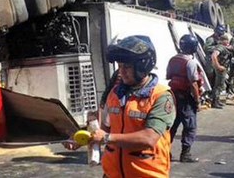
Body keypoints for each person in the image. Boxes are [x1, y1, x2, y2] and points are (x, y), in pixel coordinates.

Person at [67, 35, 175, 177]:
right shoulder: (115, 93)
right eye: (119, 66)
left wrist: (106, 138)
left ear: (143, 66)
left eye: (127, 67)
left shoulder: (161, 96)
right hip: (113, 173)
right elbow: (103, 128)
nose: (121, 72)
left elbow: (149, 138)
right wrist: (81, 138)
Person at [166, 35, 201, 163]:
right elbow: (193, 84)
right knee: (190, 126)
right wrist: (197, 101)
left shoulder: (173, 60)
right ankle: (185, 154)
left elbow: (168, 75)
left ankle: (165, 152)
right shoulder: (190, 62)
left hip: (173, 95)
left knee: (172, 125)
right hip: (186, 98)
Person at [210, 33, 231, 109]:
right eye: (226, 40)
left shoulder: (222, 47)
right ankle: (215, 102)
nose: (228, 41)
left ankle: (217, 100)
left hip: (221, 68)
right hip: (220, 69)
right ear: (223, 40)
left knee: (219, 85)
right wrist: (218, 66)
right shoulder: (220, 47)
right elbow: (214, 55)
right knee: (218, 85)